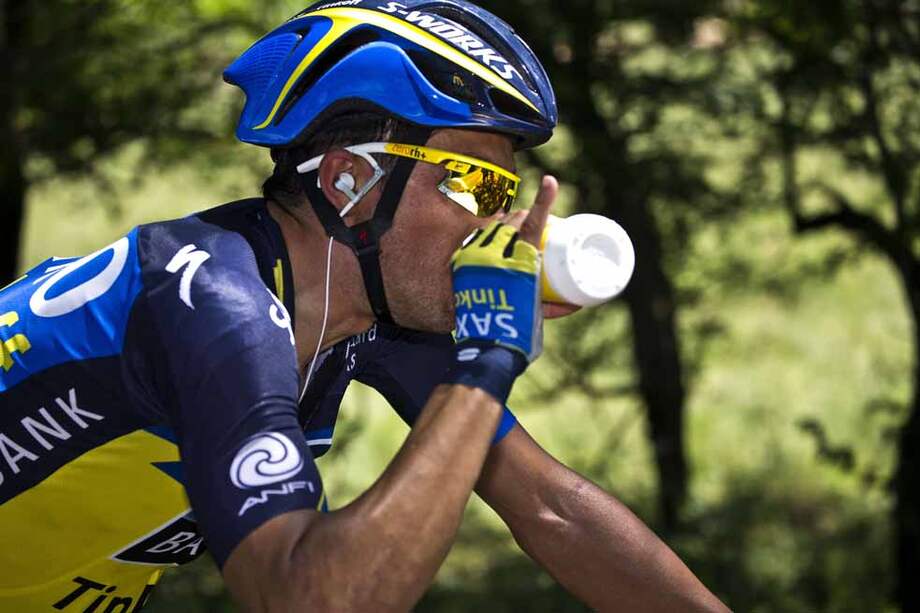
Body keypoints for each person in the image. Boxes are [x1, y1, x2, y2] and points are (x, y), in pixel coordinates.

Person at [0, 1, 730, 611]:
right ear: (352, 181)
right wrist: (484, 366)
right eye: (474, 187)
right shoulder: (217, 304)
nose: (497, 226)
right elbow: (306, 595)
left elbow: (553, 510)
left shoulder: (367, 315)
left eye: (503, 198)